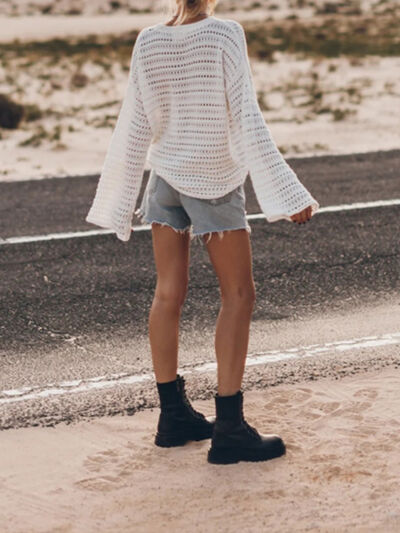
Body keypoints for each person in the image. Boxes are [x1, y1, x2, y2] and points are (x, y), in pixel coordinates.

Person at [85, 0, 319, 465]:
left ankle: (173, 418)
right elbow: (247, 117)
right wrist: (288, 193)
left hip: (164, 179)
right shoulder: (224, 34)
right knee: (239, 295)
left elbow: (134, 121)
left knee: (167, 293)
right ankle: (229, 429)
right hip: (214, 180)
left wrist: (118, 198)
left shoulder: (149, 40)